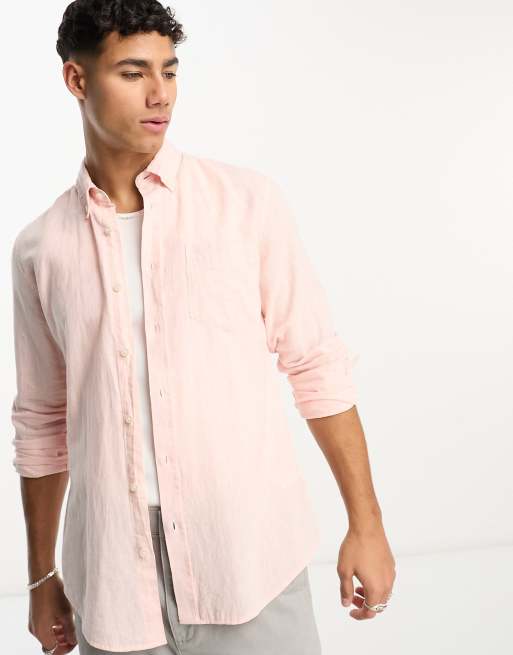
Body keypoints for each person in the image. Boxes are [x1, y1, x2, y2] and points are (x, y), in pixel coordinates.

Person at [10, 1, 396, 654]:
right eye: (132, 72)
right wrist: (42, 575)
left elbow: (315, 364)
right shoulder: (40, 248)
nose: (160, 93)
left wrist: (367, 524)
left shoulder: (245, 204)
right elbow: (42, 422)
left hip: (247, 557)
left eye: (169, 70)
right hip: (113, 576)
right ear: (77, 79)